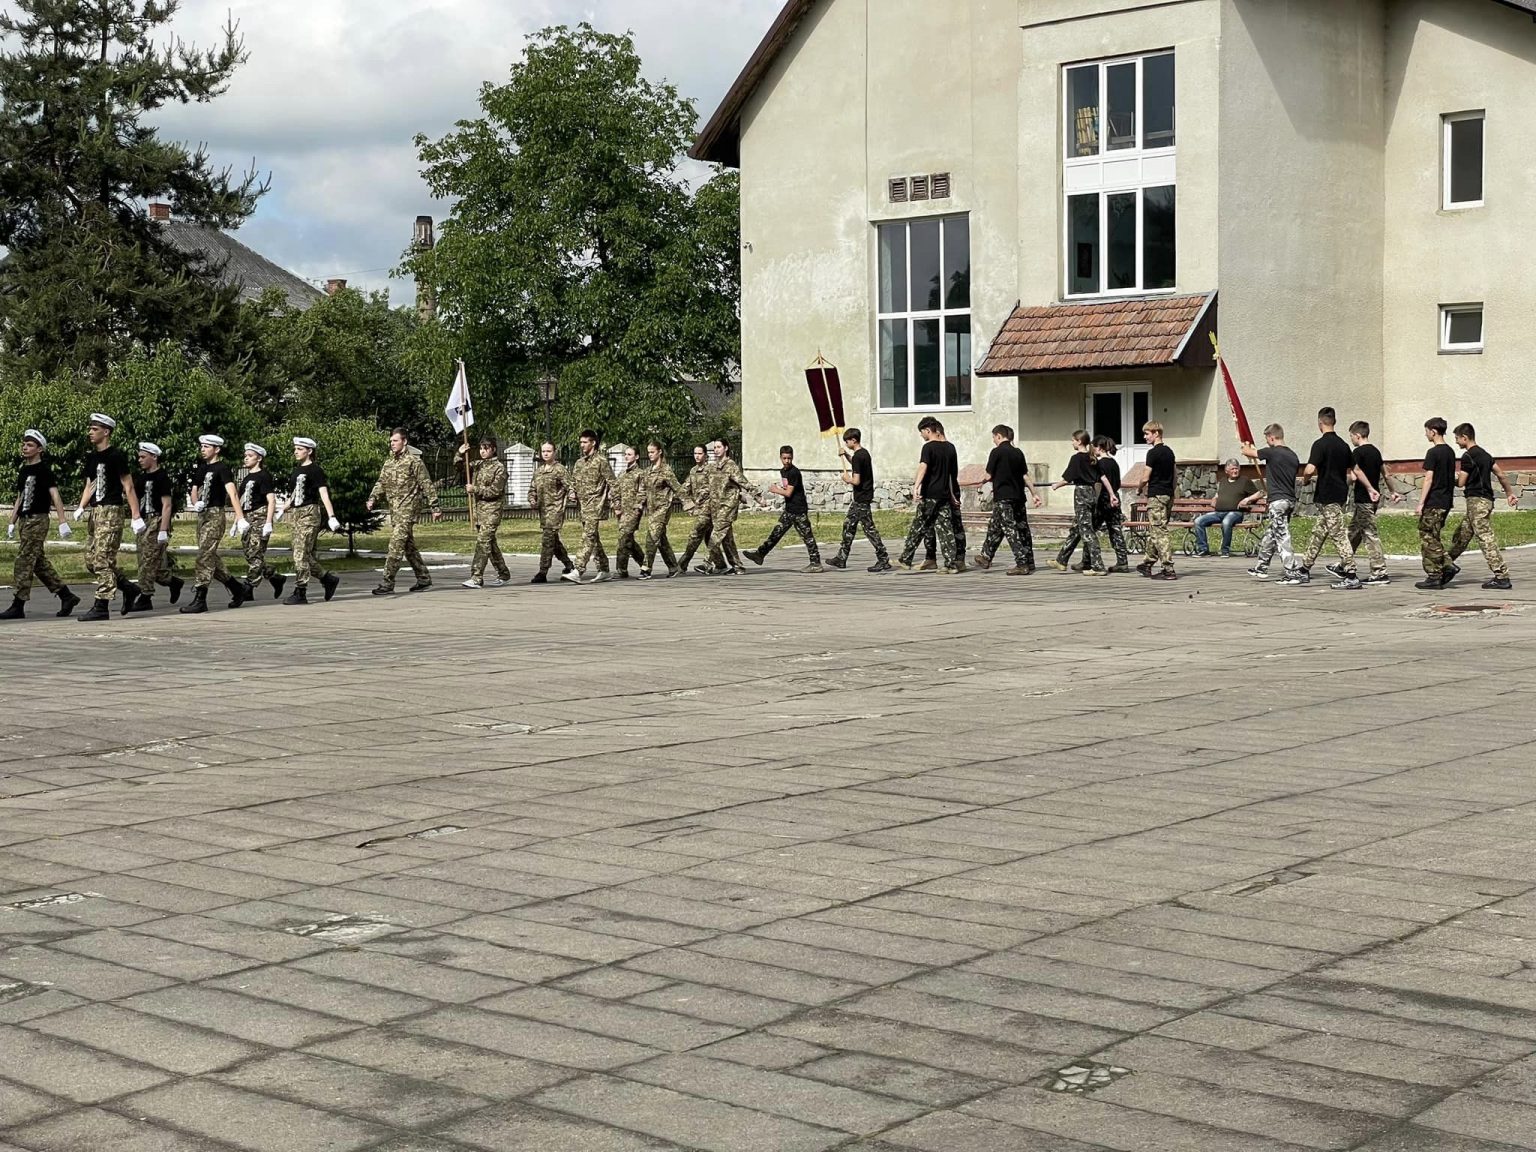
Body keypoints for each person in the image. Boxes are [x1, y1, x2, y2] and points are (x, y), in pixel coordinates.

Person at [73, 413, 146, 621]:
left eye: (94, 429)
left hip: (111, 511)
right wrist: (81, 506)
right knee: (91, 560)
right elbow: (90, 485)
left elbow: (128, 486)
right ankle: (127, 587)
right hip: (95, 512)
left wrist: (135, 515)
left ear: (106, 432)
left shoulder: (116, 456)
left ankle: (101, 605)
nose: (90, 432)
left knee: (102, 559)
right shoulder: (92, 457)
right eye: (90, 429)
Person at [1, 429, 78, 620]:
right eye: (24, 444)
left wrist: (62, 521)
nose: (25, 448)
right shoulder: (23, 471)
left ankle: (18, 604)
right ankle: (66, 596)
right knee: (37, 562)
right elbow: (20, 498)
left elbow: (55, 495)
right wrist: (12, 522)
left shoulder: (44, 471)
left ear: (39, 449)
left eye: (30, 445)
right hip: (25, 520)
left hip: (38, 519)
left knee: (24, 560)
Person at [1282, 407, 1360, 589]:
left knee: (1338, 535)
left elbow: (1310, 469)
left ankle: (1351, 574)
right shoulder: (1343, 445)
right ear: (1334, 422)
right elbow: (1354, 472)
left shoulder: (1320, 444)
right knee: (1319, 533)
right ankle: (1305, 569)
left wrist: (1305, 480)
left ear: (1320, 423)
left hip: (1327, 495)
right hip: (1339, 495)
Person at [366, 427, 442, 596]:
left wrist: (435, 507)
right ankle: (423, 578)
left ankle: (387, 582)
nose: (392, 444)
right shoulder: (389, 463)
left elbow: (426, 484)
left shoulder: (414, 462)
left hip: (408, 510)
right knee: (408, 547)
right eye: (391, 441)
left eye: (395, 441)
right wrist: (372, 498)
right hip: (395, 510)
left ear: (404, 441)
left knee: (395, 545)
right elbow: (381, 483)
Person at [179, 434, 250, 614]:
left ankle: (200, 598)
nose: (203, 449)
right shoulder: (202, 468)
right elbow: (194, 489)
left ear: (217, 449)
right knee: (209, 556)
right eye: (202, 446)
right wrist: (195, 503)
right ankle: (237, 588)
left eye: (207, 447)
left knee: (204, 556)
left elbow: (232, 493)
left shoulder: (222, 468)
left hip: (215, 515)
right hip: (202, 515)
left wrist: (240, 517)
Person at [1448, 423, 1516, 590]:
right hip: (1486, 500)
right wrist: (1509, 493)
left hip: (1476, 501)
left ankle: (1501, 576)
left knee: (1485, 537)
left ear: (1465, 438)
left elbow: (1461, 482)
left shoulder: (1468, 456)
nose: (1456, 442)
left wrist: (1447, 478)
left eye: (1457, 438)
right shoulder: (1485, 455)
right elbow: (1501, 474)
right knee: (1462, 535)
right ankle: (1445, 565)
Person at [281, 436, 342, 604]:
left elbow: (323, 493)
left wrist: (331, 516)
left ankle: (300, 592)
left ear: (309, 451)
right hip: (296, 514)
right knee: (304, 554)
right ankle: (328, 579)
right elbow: (295, 493)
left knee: (300, 554)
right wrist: (283, 508)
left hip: (309, 513)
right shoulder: (296, 470)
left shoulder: (315, 470)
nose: (296, 452)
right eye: (295, 449)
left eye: (300, 449)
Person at [896, 417, 959, 572]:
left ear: (928, 430)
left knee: (918, 526)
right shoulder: (950, 448)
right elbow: (951, 475)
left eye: (922, 432)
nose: (921, 435)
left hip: (930, 493)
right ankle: (950, 564)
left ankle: (905, 559)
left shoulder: (928, 447)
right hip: (944, 495)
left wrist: (916, 486)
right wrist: (952, 495)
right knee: (946, 530)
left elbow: (923, 467)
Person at [744, 445, 821, 572]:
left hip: (799, 510)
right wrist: (781, 489)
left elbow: (788, 493)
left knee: (807, 537)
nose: (787, 461)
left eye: (789, 458)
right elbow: (787, 488)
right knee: (776, 533)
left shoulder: (794, 472)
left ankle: (816, 563)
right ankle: (760, 554)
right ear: (780, 458)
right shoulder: (783, 471)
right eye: (784, 458)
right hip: (790, 510)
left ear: (792, 457)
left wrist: (775, 489)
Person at [976, 425, 1040, 575]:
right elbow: (1025, 476)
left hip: (1003, 498)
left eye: (993, 437)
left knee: (1010, 530)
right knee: (1003, 527)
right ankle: (986, 556)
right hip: (1018, 497)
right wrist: (1034, 493)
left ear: (998, 436)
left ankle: (1022, 564)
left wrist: (980, 482)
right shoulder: (1018, 453)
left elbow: (988, 475)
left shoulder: (996, 452)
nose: (993, 440)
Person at [128, 442, 183, 612]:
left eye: (143, 457)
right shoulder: (141, 478)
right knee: (151, 564)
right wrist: (135, 518)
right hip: (144, 521)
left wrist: (163, 529)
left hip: (157, 520)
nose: (140, 460)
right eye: (139, 457)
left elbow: (167, 505)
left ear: (154, 457)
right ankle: (172, 582)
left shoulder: (162, 477)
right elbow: (135, 498)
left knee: (148, 560)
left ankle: (145, 596)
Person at [1242, 424, 1300, 580]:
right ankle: (1261, 567)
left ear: (1271, 437)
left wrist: (1244, 442)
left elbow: (1247, 452)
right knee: (1271, 535)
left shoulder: (1272, 452)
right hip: (1289, 500)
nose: (1266, 442)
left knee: (1281, 536)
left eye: (1267, 438)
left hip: (1278, 501)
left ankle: (1292, 572)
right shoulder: (1293, 455)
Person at [827, 428, 889, 572]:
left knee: (869, 530)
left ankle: (883, 559)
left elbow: (856, 480)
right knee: (848, 525)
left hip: (862, 499)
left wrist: (847, 479)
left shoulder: (858, 457)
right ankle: (841, 558)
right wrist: (846, 455)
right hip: (861, 498)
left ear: (853, 440)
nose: (846, 443)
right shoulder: (863, 454)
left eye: (847, 441)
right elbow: (856, 465)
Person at [1344, 421, 1398, 587]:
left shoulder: (1357, 453)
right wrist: (1393, 491)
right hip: (1373, 499)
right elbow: (1386, 474)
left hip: (1364, 498)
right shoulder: (1375, 451)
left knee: (1369, 534)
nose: (1351, 439)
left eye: (1351, 436)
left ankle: (1379, 571)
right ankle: (1344, 563)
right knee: (1353, 532)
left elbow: (1354, 476)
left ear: (1357, 435)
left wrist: (1343, 482)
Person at [1052, 431, 1113, 575]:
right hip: (1091, 493)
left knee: (1087, 530)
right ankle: (1061, 560)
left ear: (1079, 441)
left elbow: (1068, 478)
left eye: (1073, 440)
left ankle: (1098, 566)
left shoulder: (1077, 458)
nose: (1072, 443)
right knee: (1077, 528)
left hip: (1082, 494)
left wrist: (1056, 485)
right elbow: (1103, 478)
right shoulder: (1092, 458)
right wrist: (1111, 494)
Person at [459, 435, 510, 588]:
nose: (482, 451)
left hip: (492, 511)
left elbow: (495, 491)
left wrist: (475, 489)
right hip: (479, 512)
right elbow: (461, 468)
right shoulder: (479, 465)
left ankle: (476, 577)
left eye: (486, 448)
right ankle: (503, 573)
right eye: (481, 448)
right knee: (490, 544)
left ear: (493, 449)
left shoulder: (499, 468)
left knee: (483, 543)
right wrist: (460, 454)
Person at [565, 430, 615, 584]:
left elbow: (613, 482)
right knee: (594, 539)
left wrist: (615, 502)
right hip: (583, 506)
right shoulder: (579, 463)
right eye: (581, 442)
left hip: (595, 505)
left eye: (585, 442)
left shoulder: (601, 461)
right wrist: (572, 492)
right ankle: (604, 569)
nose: (582, 445)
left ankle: (578, 570)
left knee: (588, 536)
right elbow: (573, 482)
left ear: (593, 443)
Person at [237, 443, 285, 601]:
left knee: (256, 553)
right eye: (245, 455)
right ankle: (275, 577)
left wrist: (268, 522)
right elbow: (241, 501)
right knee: (249, 553)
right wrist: (238, 520)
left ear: (259, 458)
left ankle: (248, 587)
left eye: (250, 456)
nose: (246, 458)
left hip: (260, 516)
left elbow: (271, 500)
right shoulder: (247, 478)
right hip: (247, 517)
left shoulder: (264, 476)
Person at [1415, 417, 1459, 590]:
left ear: (1433, 432)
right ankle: (1437, 574)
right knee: (1434, 535)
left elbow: (1429, 478)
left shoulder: (1433, 452)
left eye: (1426, 431)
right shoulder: (1450, 451)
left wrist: (1421, 503)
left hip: (1434, 500)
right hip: (1446, 500)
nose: (1426, 435)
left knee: (1427, 536)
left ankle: (1443, 568)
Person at [638, 440, 690, 579]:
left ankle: (646, 569)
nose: (650, 455)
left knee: (652, 537)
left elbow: (677, 488)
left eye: (652, 452)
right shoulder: (647, 471)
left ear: (660, 451)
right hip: (652, 509)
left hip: (663, 508)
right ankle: (673, 567)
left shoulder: (666, 471)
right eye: (648, 452)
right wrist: (638, 504)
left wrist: (688, 503)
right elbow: (642, 490)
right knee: (660, 539)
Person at [1136, 421, 1178, 580]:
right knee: (1156, 529)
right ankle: (1147, 563)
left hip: (1156, 496)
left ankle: (1168, 569)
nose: (1145, 437)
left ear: (1156, 433)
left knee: (1160, 532)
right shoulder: (1170, 452)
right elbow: (1175, 475)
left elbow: (1145, 477)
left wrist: (1139, 488)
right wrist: (1172, 491)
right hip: (1168, 495)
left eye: (1147, 433)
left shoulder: (1153, 453)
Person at [528, 442, 575, 583]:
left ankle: (542, 572)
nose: (546, 453)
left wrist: (572, 495)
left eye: (549, 451)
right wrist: (532, 499)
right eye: (543, 451)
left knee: (547, 540)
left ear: (554, 452)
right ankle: (569, 565)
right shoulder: (539, 471)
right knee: (554, 542)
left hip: (555, 510)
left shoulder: (559, 469)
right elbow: (532, 489)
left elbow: (570, 486)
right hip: (543, 511)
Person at [1192, 460, 1260, 557]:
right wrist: (1215, 498)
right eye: (1232, 469)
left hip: (1235, 513)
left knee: (1226, 522)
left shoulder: (1244, 480)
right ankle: (1203, 549)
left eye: (1236, 468)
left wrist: (1247, 499)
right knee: (1198, 521)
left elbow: (1260, 493)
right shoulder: (1223, 481)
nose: (1235, 471)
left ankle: (1225, 550)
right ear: (1226, 471)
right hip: (1219, 512)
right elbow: (1218, 494)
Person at [703, 440, 752, 574]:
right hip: (716, 507)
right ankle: (738, 566)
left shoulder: (731, 466)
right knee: (727, 539)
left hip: (728, 506)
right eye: (715, 447)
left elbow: (743, 482)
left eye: (719, 447)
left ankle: (706, 562)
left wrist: (758, 496)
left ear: (726, 448)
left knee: (717, 533)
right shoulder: (713, 467)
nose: (716, 450)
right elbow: (708, 486)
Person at [677, 445, 724, 575]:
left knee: (695, 533)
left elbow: (713, 487)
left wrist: (698, 500)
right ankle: (721, 564)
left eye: (699, 453)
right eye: (695, 453)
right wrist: (682, 497)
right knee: (708, 537)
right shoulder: (693, 470)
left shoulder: (711, 469)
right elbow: (686, 486)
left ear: (705, 455)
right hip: (699, 508)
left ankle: (682, 564)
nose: (697, 456)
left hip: (709, 507)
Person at [1092, 436, 1130, 573]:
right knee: (1115, 530)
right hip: (1115, 498)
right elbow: (1117, 482)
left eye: (1093, 447)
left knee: (1090, 529)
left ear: (1099, 448)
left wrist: (1094, 501)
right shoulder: (1114, 463)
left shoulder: (1099, 464)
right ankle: (1122, 561)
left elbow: (1098, 483)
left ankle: (1088, 560)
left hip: (1103, 499)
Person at [611, 445, 649, 579]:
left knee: (624, 538)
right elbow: (615, 491)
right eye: (625, 454)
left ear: (636, 457)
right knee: (629, 541)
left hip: (633, 512)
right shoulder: (622, 474)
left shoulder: (640, 474)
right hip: (622, 512)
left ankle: (621, 569)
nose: (626, 457)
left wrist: (638, 508)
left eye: (629, 454)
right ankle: (645, 564)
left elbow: (642, 492)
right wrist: (616, 506)